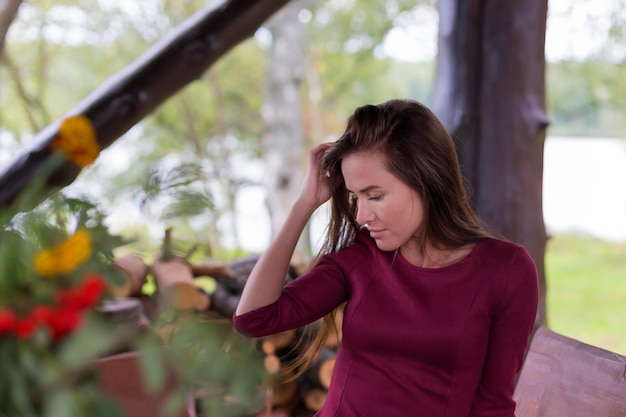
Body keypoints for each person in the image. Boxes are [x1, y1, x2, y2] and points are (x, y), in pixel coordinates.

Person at [233, 99, 539, 417]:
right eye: (355, 197)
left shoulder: (505, 271)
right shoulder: (361, 259)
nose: (362, 215)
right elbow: (254, 318)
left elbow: (493, 405)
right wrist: (305, 205)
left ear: (426, 179)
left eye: (375, 196)